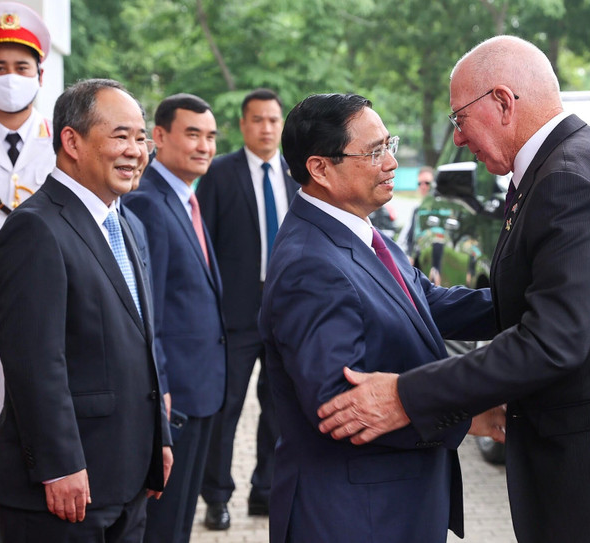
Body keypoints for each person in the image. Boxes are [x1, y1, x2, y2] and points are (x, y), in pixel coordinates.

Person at [318, 36, 590, 542]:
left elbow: (551, 340)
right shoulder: (587, 159)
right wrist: (395, 295)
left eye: (460, 119)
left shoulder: (569, 181)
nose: (459, 139)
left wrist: (406, 394)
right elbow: (540, 300)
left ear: (504, 102)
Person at [258, 92, 500, 543]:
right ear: (320, 169)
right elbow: (338, 408)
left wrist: (539, 305)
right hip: (353, 515)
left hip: (390, 504)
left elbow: (428, 304)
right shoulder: (311, 264)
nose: (390, 163)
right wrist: (467, 415)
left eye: (389, 145)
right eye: (374, 152)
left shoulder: (359, 230)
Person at [0, 78, 172, 542]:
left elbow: (142, 338)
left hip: (126, 480)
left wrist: (160, 438)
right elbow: (34, 363)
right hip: (67, 488)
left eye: (141, 137)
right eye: (121, 136)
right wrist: (59, 464)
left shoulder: (123, 220)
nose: (136, 150)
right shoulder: (35, 228)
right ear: (71, 141)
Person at [122, 93, 226, 543]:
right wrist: (161, 391)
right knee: (162, 526)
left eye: (211, 137)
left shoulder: (186, 199)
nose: (204, 146)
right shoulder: (149, 203)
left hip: (201, 389)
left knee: (181, 520)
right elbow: (150, 314)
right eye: (192, 134)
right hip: (174, 397)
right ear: (159, 137)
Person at [196, 88, 297, 527]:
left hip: (285, 313)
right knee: (226, 409)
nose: (267, 128)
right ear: (243, 125)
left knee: (279, 407)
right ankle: (216, 496)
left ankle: (266, 491)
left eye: (274, 120)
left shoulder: (298, 175)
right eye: (258, 120)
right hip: (234, 315)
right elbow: (204, 245)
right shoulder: (219, 173)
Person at [0, 3, 56, 541]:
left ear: (40, 75)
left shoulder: (66, 148)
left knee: (46, 431)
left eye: (20, 68)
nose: (9, 79)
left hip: (47, 305)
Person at [396, 165, 434, 261]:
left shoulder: (443, 210)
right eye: (419, 184)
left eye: (427, 183)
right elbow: (404, 240)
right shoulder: (417, 210)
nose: (423, 187)